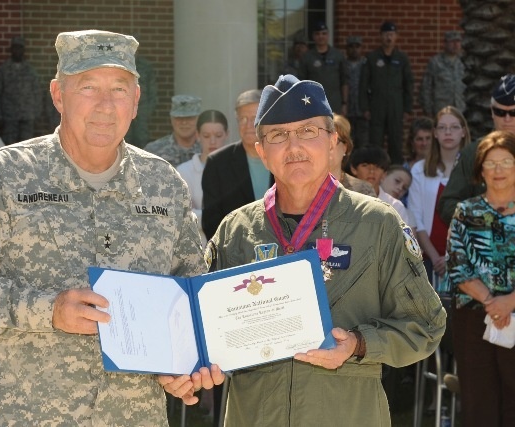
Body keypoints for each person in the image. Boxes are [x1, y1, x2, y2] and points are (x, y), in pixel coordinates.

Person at [0, 29, 216, 426]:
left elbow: (190, 291)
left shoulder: (163, 184)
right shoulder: (5, 176)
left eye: (118, 89)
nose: (105, 105)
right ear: (58, 95)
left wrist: (184, 363)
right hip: (22, 415)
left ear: (135, 101)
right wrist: (49, 310)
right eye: (88, 87)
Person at [168, 75, 445, 426]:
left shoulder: (377, 224)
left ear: (333, 142)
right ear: (261, 151)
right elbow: (198, 327)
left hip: (346, 413)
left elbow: (426, 325)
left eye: (308, 131)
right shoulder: (235, 231)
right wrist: (191, 366)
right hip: (254, 415)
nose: (294, 146)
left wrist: (358, 344)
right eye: (278, 135)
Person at [445, 130, 515, 427]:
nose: (498, 170)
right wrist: (490, 301)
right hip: (474, 318)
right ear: (480, 170)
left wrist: (509, 301)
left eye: (507, 162)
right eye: (491, 163)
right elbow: (457, 265)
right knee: (478, 401)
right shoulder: (465, 211)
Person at [438, 74, 515, 224]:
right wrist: (482, 220)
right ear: (492, 112)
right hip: (485, 242)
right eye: (500, 112)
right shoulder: (474, 153)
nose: (507, 119)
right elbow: (447, 204)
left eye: (513, 113)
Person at [408, 106, 469, 282]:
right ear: (435, 133)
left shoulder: (473, 170)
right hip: (429, 259)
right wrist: (435, 257)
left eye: (454, 127)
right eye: (442, 127)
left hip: (466, 258)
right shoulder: (420, 169)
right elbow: (416, 218)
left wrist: (453, 256)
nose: (448, 132)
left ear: (463, 132)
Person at [201, 89, 272, 240]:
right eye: (242, 119)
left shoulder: (282, 157)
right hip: (235, 254)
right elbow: (211, 221)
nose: (247, 125)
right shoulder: (218, 163)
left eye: (254, 118)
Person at [360, 21, 414, 164]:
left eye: (391, 34)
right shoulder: (372, 58)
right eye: (386, 34)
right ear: (381, 36)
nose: (388, 38)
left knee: (396, 140)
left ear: (396, 36)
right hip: (376, 104)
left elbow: (408, 84)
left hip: (396, 105)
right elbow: (363, 84)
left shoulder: (402, 59)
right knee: (375, 140)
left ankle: (395, 169)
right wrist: (365, 107)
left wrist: (407, 108)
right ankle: (375, 167)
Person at [176, 109, 228, 243]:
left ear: (227, 134)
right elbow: (181, 217)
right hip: (198, 248)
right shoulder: (183, 172)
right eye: (206, 135)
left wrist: (201, 214)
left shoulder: (237, 168)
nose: (212, 141)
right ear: (198, 135)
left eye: (218, 135)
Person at [0, 36, 42, 145]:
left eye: (20, 48)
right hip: (9, 117)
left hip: (27, 117)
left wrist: (36, 113)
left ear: (23, 50)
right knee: (9, 149)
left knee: (27, 148)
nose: (17, 51)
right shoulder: (3, 70)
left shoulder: (30, 70)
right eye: (15, 48)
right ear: (11, 49)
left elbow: (37, 92)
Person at [349, 145, 416, 229]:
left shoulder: (395, 207)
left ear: (384, 174)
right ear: (354, 169)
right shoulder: (342, 201)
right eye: (365, 165)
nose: (371, 171)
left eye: (377, 167)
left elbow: (402, 240)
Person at [298, 22, 348, 114]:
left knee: (334, 128)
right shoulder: (307, 57)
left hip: (334, 103)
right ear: (313, 36)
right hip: (313, 103)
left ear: (328, 35)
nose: (321, 36)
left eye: (324, 33)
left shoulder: (338, 55)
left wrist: (344, 103)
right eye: (317, 34)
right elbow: (301, 83)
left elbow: (344, 81)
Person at [144, 94, 202, 166]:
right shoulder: (153, 151)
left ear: (199, 119)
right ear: (172, 119)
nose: (184, 122)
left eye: (189, 118)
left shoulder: (208, 149)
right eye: (179, 117)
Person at [420, 31, 465, 118]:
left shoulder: (464, 62)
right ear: (445, 43)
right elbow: (426, 87)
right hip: (441, 109)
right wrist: (428, 109)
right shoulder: (435, 62)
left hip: (461, 109)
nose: (455, 45)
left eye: (458, 41)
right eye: (452, 42)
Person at [332, 114, 376, 196]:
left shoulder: (363, 190)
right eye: (323, 141)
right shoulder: (302, 186)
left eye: (334, 141)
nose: (328, 147)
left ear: (345, 147)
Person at [125, 55, 158, 147]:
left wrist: (148, 111)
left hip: (142, 109)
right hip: (124, 108)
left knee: (142, 139)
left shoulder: (145, 66)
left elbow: (152, 91)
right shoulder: (121, 63)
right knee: (123, 137)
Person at [345, 35, 369, 147]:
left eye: (357, 46)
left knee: (363, 143)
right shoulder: (343, 64)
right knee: (348, 143)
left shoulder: (367, 64)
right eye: (351, 46)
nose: (354, 49)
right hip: (347, 111)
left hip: (362, 111)